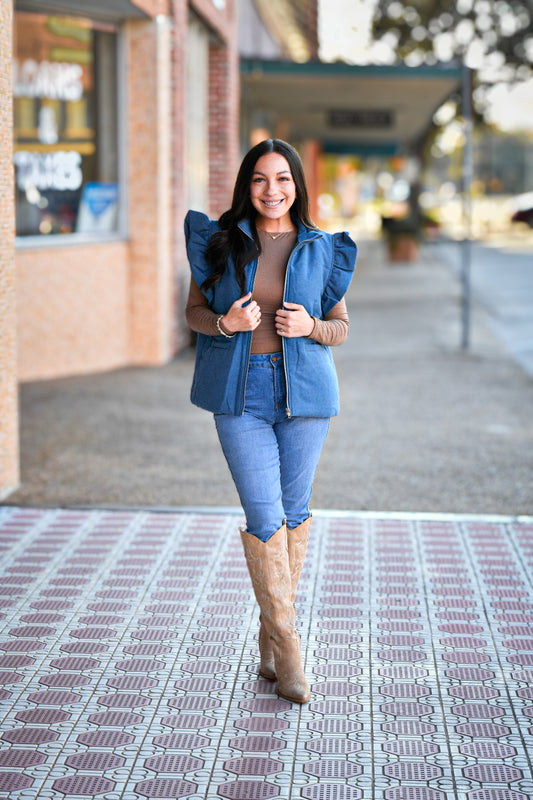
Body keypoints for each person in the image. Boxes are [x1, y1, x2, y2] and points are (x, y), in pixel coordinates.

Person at [184, 138, 357, 703]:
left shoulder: (322, 248)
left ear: (297, 186)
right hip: (241, 396)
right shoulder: (217, 241)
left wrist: (310, 327)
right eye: (260, 179)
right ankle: (289, 649)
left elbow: (340, 328)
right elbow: (194, 314)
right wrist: (227, 323)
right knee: (264, 517)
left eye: (282, 179)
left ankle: (269, 640)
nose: (272, 190)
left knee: (295, 514)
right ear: (246, 185)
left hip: (304, 394)